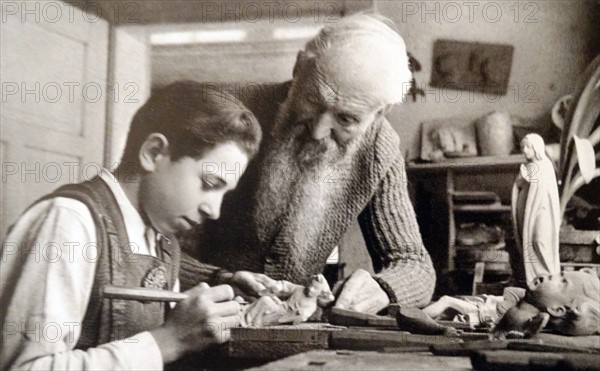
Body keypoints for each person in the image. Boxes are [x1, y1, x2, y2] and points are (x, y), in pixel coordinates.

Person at [180, 13, 436, 315]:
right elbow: (149, 246)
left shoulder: (379, 147)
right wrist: (219, 280)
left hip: (291, 337)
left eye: (346, 119)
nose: (318, 131)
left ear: (380, 113)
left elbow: (414, 264)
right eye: (314, 100)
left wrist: (384, 289)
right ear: (299, 66)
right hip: (199, 323)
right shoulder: (230, 109)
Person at [0, 82, 262, 369]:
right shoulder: (69, 222)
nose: (214, 210)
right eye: (210, 184)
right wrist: (169, 340)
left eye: (225, 193)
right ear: (153, 152)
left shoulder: (162, 241)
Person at [512, 133, 561, 287]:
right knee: (528, 243)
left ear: (537, 148)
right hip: (526, 209)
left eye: (528, 147)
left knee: (540, 241)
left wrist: (529, 179)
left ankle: (549, 278)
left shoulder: (545, 165)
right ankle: (534, 280)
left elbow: (543, 188)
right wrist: (520, 182)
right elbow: (518, 185)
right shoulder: (526, 166)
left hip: (541, 211)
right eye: (523, 147)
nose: (525, 150)